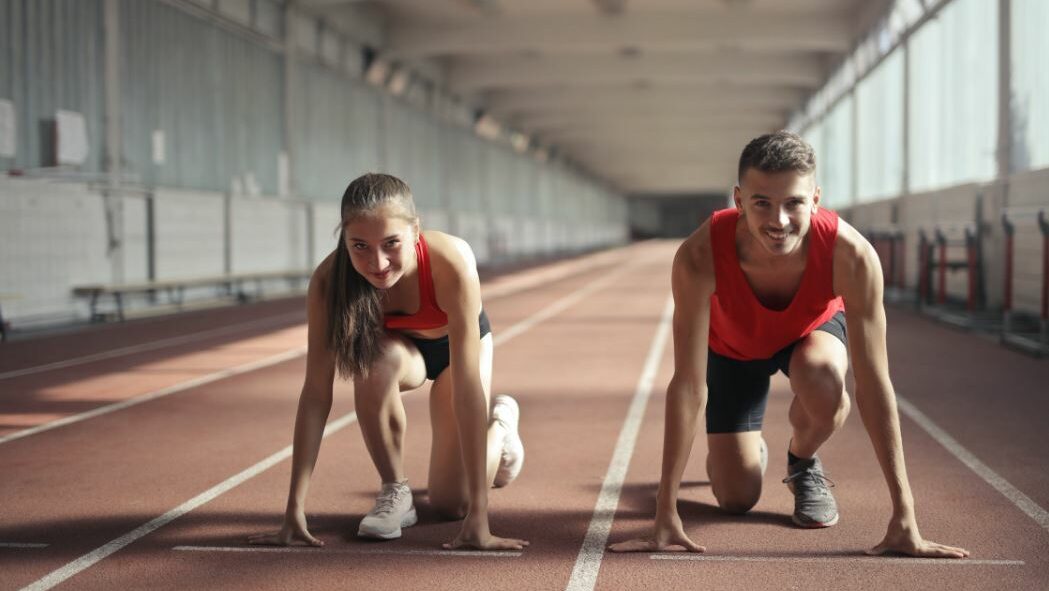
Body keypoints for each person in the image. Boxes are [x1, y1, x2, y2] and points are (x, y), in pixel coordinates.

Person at [610, 131, 968, 558]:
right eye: (762, 202)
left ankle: (802, 460)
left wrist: (905, 515)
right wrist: (665, 513)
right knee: (736, 498)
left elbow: (874, 385)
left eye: (793, 203)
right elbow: (687, 385)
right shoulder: (699, 256)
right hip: (732, 348)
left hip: (808, 335)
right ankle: (741, 453)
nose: (779, 221)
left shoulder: (852, 256)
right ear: (738, 200)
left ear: (815, 199)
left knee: (826, 384)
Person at [249, 173, 527, 551]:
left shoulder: (451, 262)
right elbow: (316, 394)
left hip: (457, 351)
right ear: (344, 238)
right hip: (400, 353)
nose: (377, 263)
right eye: (359, 245)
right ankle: (396, 492)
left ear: (415, 231)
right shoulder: (329, 282)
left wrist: (480, 517)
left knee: (452, 504)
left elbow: (466, 389)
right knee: (372, 363)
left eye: (391, 244)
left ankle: (502, 428)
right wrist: (293, 510)